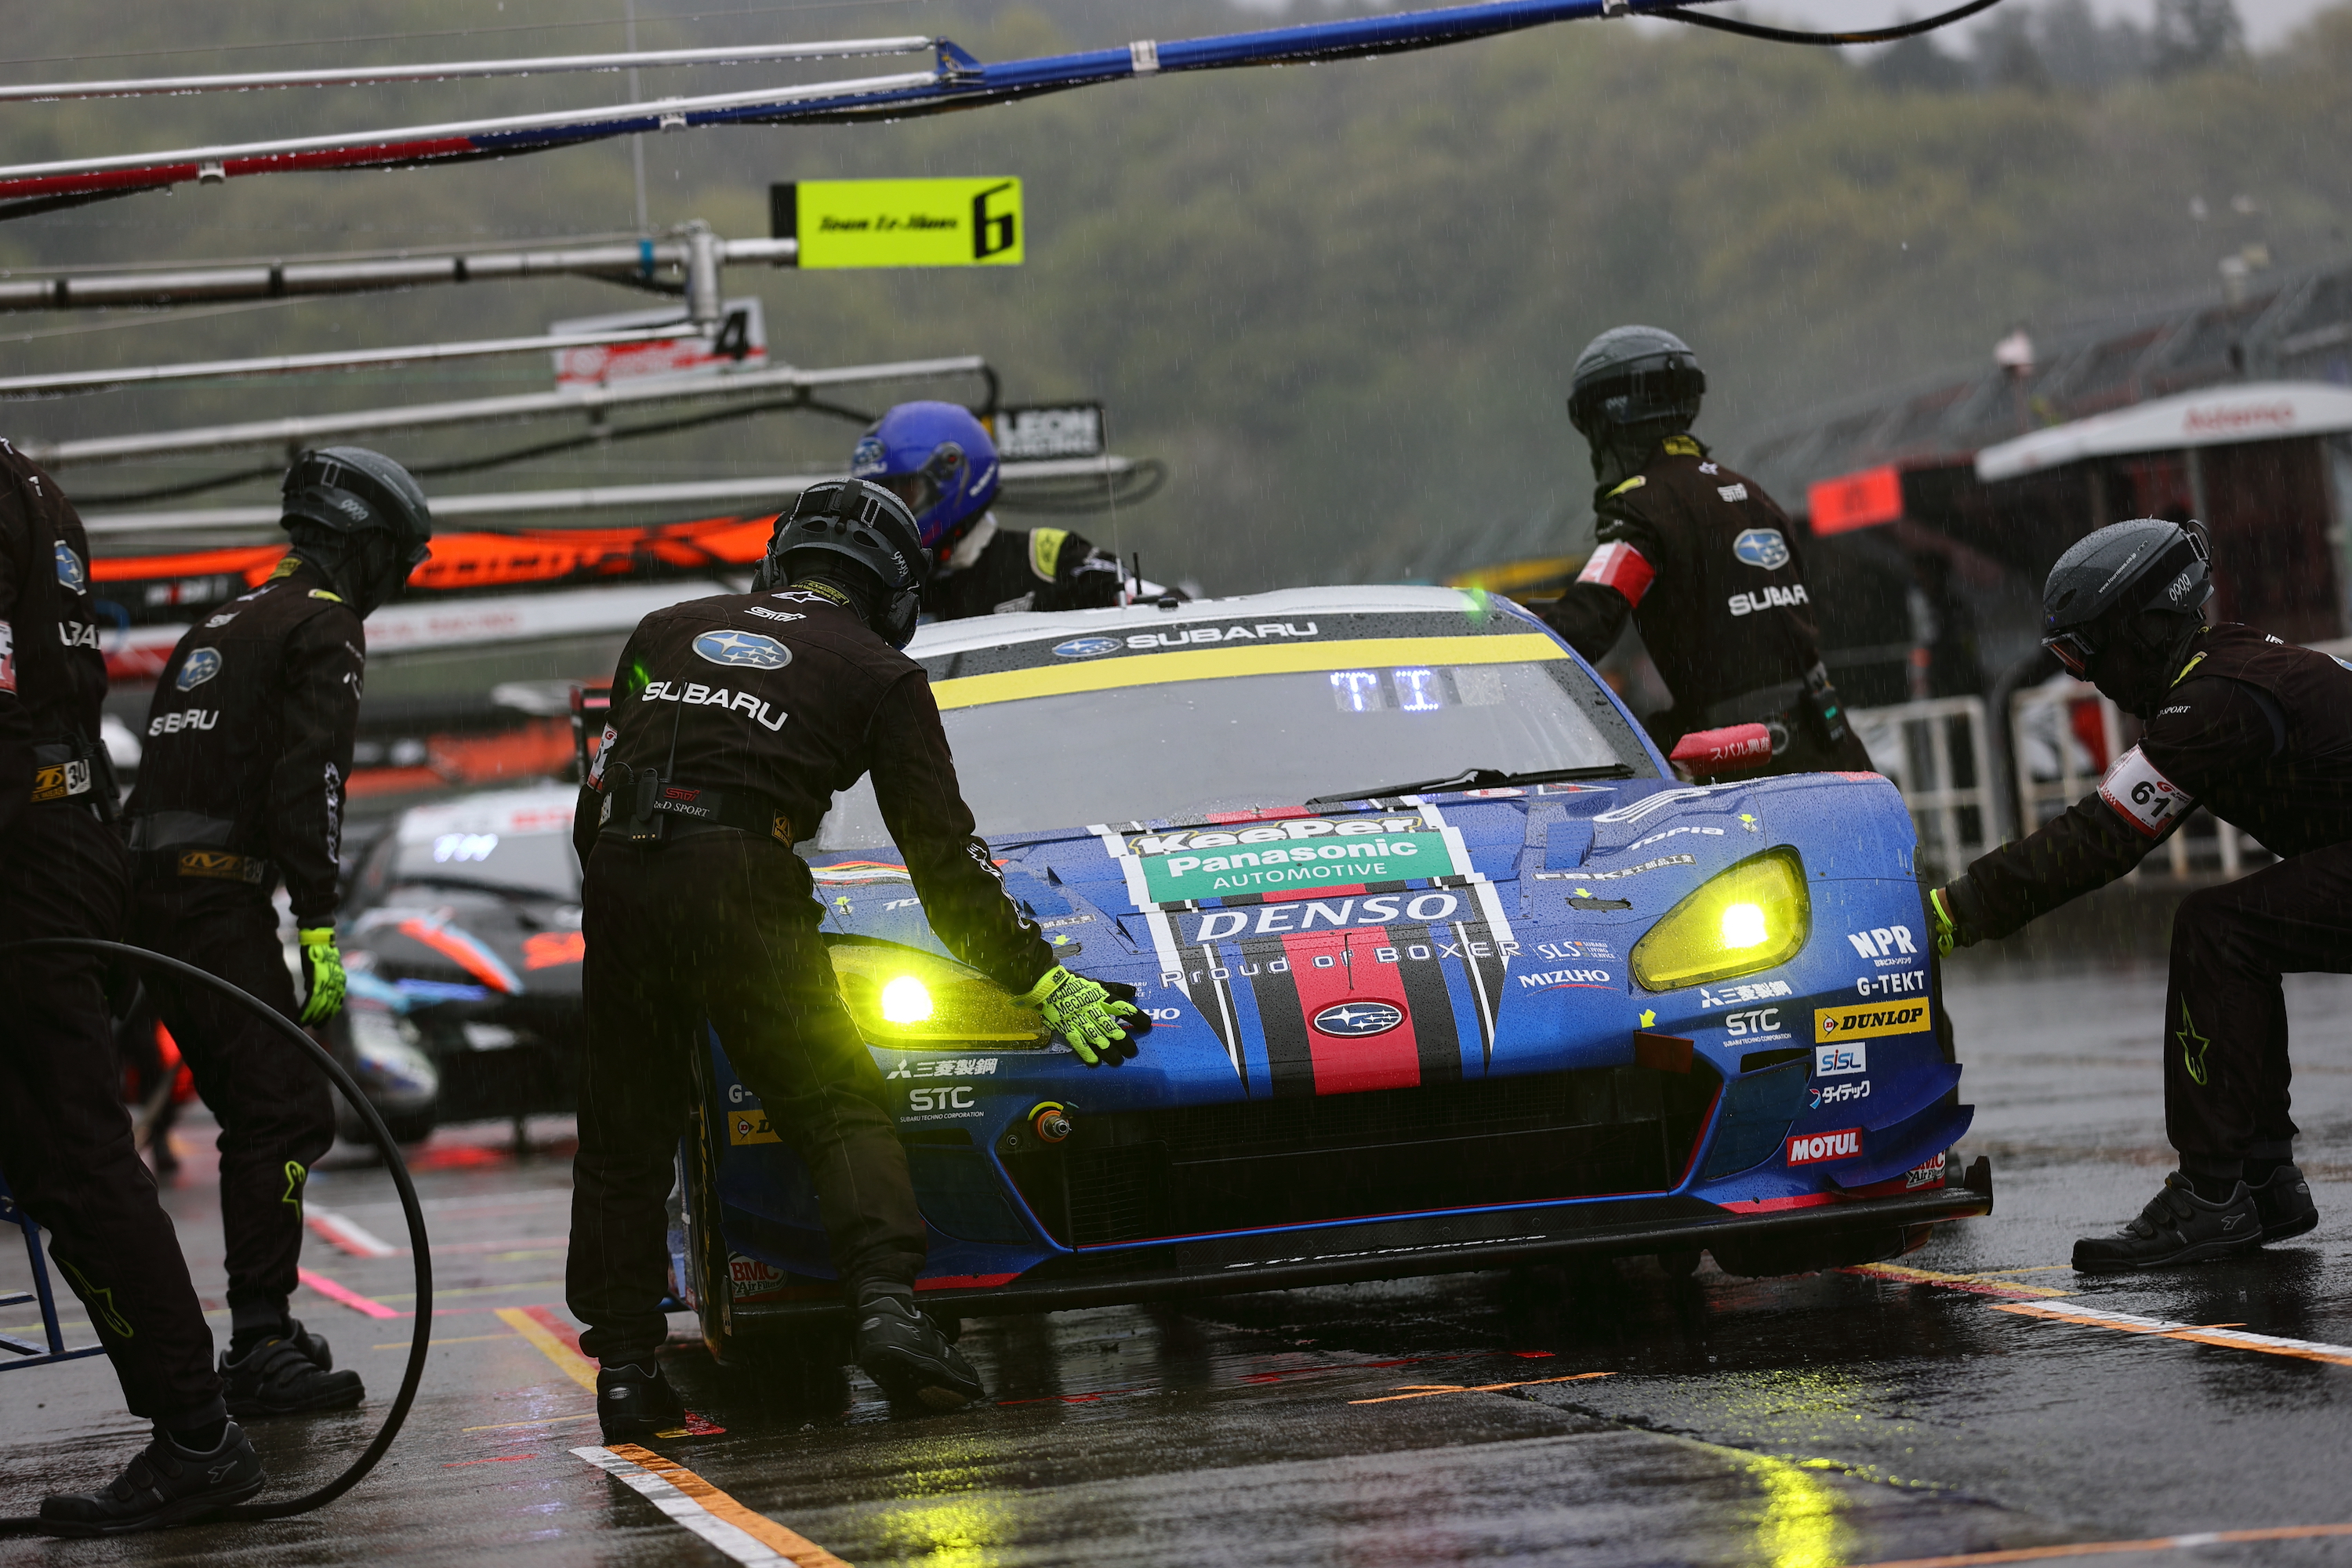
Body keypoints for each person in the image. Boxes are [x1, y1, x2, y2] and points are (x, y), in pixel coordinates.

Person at [567, 477, 1145, 1437]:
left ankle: (625, 1371)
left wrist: (638, 904)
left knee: (622, 1131)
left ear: (779, 559)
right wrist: (1043, 976)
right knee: (834, 1100)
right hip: (740, 870)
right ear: (896, 592)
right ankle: (887, 1306)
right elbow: (945, 864)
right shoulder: (882, 673)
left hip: (622, 870)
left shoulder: (665, 629)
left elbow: (594, 801)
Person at [1930, 517, 2347, 1272]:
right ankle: (2262, 1180)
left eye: (2083, 652)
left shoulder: (2214, 701)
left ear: (2144, 631)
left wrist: (1954, 911)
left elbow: (2100, 838)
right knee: (2240, 932)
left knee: (2220, 930)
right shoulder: (2228, 666)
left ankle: (2211, 1195)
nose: (2083, 676)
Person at [120, 446, 432, 1417]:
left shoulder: (220, 623)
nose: (395, 581)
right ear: (365, 544)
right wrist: (322, 923)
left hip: (152, 898)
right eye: (399, 561)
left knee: (258, 1103)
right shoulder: (324, 623)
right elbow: (314, 781)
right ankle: (258, 1339)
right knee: (285, 1109)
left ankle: (263, 1324)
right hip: (212, 901)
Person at [0, 436, 267, 1534]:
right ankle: (195, 1430)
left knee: (74, 1162)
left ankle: (197, 1437)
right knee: (67, 1162)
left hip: (27, 851)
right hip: (60, 833)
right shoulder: (28, 482)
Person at [1536, 326, 1872, 777]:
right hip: (1835, 749)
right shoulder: (1752, 494)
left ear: (1608, 422)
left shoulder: (1643, 508)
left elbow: (1584, 627)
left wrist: (1496, 621)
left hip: (1748, 768)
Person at [852, 401, 1128, 619]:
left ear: (954, 476)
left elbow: (1139, 614)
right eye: (880, 498)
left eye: (904, 493)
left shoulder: (1050, 560)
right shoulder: (871, 588)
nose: (889, 511)